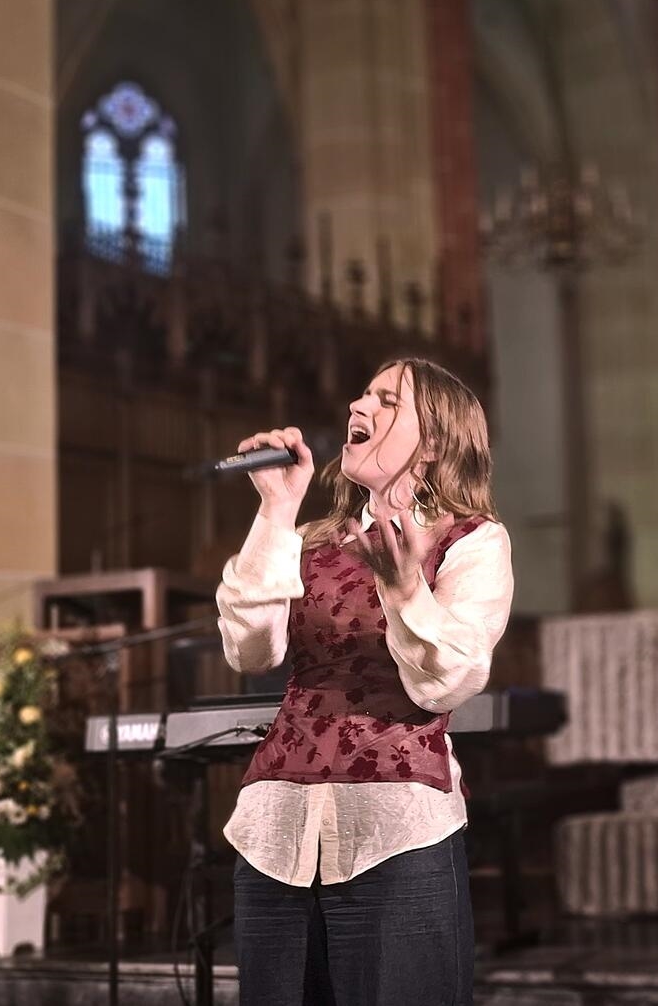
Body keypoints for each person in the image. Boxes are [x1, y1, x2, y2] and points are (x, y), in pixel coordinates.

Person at [216, 357, 513, 1005]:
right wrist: (277, 508)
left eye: (386, 400)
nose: (359, 405)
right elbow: (250, 650)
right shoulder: (311, 540)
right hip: (274, 833)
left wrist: (405, 588)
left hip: (396, 833)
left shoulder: (472, 542)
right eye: (363, 394)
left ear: (434, 442)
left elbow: (443, 684)